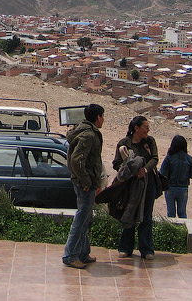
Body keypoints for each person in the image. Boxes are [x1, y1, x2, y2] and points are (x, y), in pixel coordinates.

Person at [62, 103, 105, 269]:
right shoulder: (88, 135)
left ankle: (83, 253)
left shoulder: (83, 130)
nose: (103, 120)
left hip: (85, 183)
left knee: (86, 218)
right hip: (85, 185)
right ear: (97, 117)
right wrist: (86, 180)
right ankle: (71, 255)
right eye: (102, 116)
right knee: (81, 220)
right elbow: (76, 160)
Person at [113, 115, 159, 260]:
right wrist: (128, 169)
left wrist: (143, 170)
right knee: (129, 213)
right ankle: (125, 248)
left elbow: (155, 159)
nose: (148, 130)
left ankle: (147, 249)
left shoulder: (149, 142)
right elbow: (116, 163)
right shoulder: (124, 144)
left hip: (148, 184)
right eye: (145, 127)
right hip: (130, 186)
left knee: (146, 216)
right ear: (136, 128)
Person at [160, 134, 192, 218]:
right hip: (183, 188)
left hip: (170, 188)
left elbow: (162, 172)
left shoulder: (169, 158)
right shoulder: (189, 158)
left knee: (171, 214)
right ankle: (183, 231)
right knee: (182, 213)